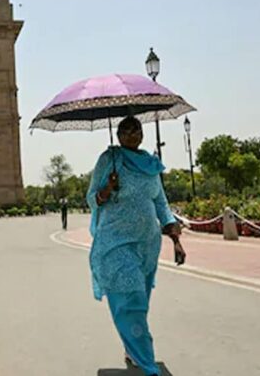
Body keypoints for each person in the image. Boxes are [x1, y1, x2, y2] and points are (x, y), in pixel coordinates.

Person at [86, 116, 186, 376]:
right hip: (116, 244)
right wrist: (107, 189)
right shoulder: (108, 160)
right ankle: (148, 365)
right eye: (126, 131)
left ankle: (132, 349)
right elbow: (91, 199)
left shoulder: (151, 164)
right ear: (118, 135)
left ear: (142, 134)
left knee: (139, 302)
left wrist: (175, 239)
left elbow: (161, 203)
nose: (132, 135)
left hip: (147, 245)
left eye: (136, 130)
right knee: (131, 301)